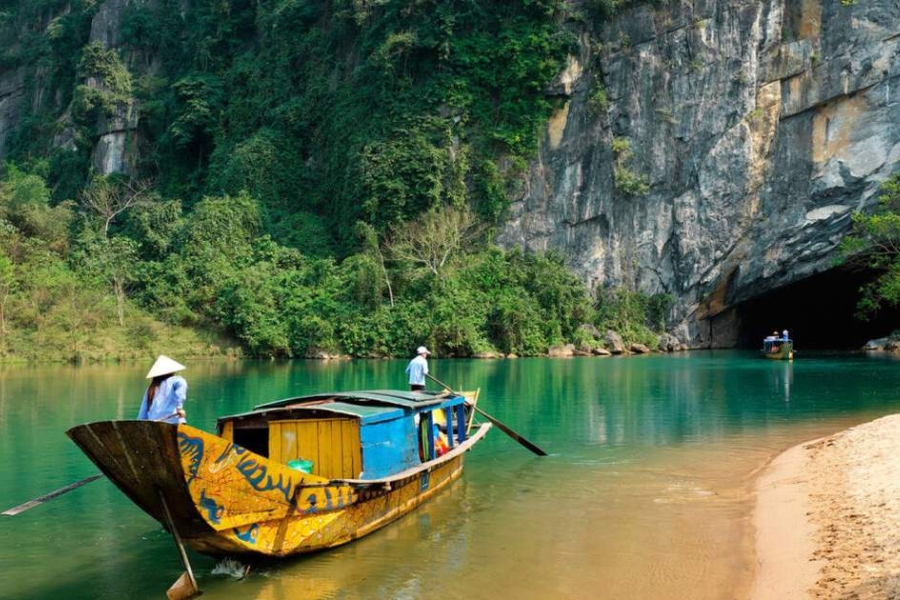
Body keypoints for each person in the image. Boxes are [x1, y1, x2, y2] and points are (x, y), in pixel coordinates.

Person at [138, 355, 188, 423]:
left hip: (154, 425)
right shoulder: (175, 380)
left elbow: (142, 414)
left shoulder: (151, 389)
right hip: (173, 423)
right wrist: (179, 408)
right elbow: (182, 384)